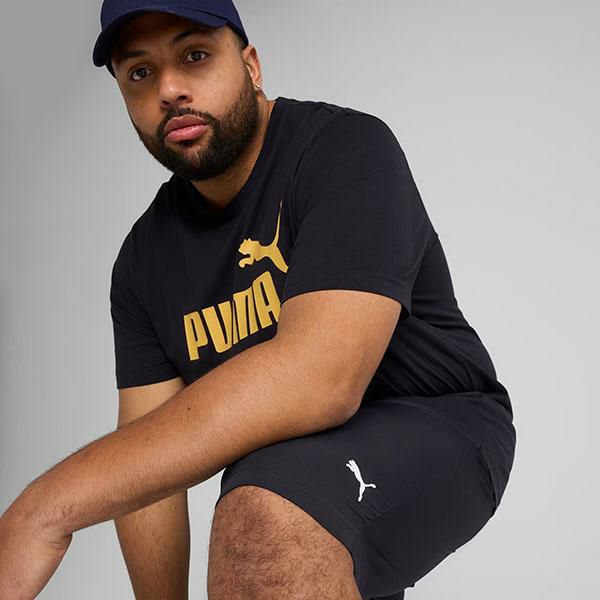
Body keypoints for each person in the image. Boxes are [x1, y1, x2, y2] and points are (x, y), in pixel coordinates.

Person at [0, 1, 517, 598]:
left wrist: (44, 509)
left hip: (442, 423)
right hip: (298, 466)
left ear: (251, 65)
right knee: (270, 495)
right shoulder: (143, 262)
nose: (169, 90)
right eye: (139, 72)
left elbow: (321, 379)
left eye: (195, 55)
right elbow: (147, 466)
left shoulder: (345, 150)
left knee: (262, 515)